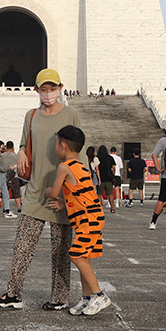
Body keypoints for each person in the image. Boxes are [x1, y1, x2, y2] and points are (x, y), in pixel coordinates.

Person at [0, 68, 79, 311]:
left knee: (61, 250)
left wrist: (68, 197)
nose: (49, 94)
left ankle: (60, 298)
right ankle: (13, 294)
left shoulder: (72, 114)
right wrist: (19, 151)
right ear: (36, 90)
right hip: (35, 191)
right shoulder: (31, 116)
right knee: (22, 245)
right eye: (44, 89)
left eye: (53, 89)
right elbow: (23, 144)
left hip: (61, 193)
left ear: (61, 88)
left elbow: (76, 156)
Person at [44, 125, 110, 316]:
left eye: (56, 144)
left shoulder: (64, 167)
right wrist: (65, 204)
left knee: (76, 255)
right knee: (84, 258)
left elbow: (54, 192)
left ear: (62, 145)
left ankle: (99, 295)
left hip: (87, 219)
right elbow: (82, 193)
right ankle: (87, 298)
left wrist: (48, 191)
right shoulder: (81, 165)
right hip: (92, 216)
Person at [3, 141, 22, 214]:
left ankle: (5, 209)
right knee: (16, 193)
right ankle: (19, 209)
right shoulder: (16, 156)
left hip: (5, 176)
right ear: (13, 147)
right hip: (15, 176)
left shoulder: (2, 156)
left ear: (6, 147)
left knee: (4, 193)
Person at [95, 145, 116, 213]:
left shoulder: (97, 158)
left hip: (100, 179)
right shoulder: (110, 158)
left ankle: (99, 209)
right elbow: (113, 168)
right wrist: (112, 175)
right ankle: (112, 208)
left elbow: (97, 168)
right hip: (109, 179)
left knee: (99, 194)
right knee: (110, 194)